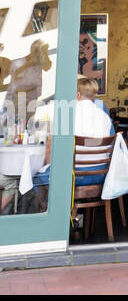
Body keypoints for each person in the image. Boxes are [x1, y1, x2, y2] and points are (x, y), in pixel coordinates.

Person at [3, 76, 112, 214]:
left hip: (74, 176)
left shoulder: (68, 114)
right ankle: (73, 217)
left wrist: (48, 166)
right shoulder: (104, 117)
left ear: (77, 95)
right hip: (100, 174)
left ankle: (46, 217)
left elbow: (51, 146)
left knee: (36, 177)